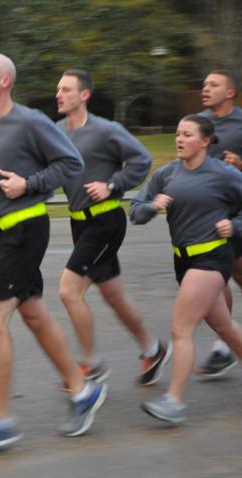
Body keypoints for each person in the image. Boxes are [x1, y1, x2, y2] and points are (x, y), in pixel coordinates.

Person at [0, 53, 107, 450]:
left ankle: (0, 420)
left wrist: (29, 183)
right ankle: (82, 391)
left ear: (4, 81)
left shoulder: (30, 121)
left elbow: (71, 162)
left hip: (25, 229)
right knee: (34, 314)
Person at [55, 69, 172, 387]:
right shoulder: (56, 131)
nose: (59, 94)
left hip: (105, 221)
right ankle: (153, 348)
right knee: (113, 295)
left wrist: (112, 184)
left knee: (69, 292)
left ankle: (90, 365)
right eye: (58, 89)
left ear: (84, 95)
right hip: (78, 222)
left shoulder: (107, 130)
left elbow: (141, 160)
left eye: (66, 89)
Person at [130, 114, 242, 423]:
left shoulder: (224, 175)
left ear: (205, 141)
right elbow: (135, 211)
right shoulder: (165, 174)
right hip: (183, 259)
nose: (179, 139)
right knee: (223, 326)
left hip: (212, 257)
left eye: (188, 134)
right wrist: (153, 206)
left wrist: (234, 225)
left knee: (181, 328)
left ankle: (174, 402)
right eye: (178, 133)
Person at [196, 69, 242, 378]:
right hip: (208, 215)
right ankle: (223, 347)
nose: (205, 88)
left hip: (238, 213)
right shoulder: (198, 123)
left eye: (213, 85)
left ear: (230, 92)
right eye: (204, 84)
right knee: (216, 278)